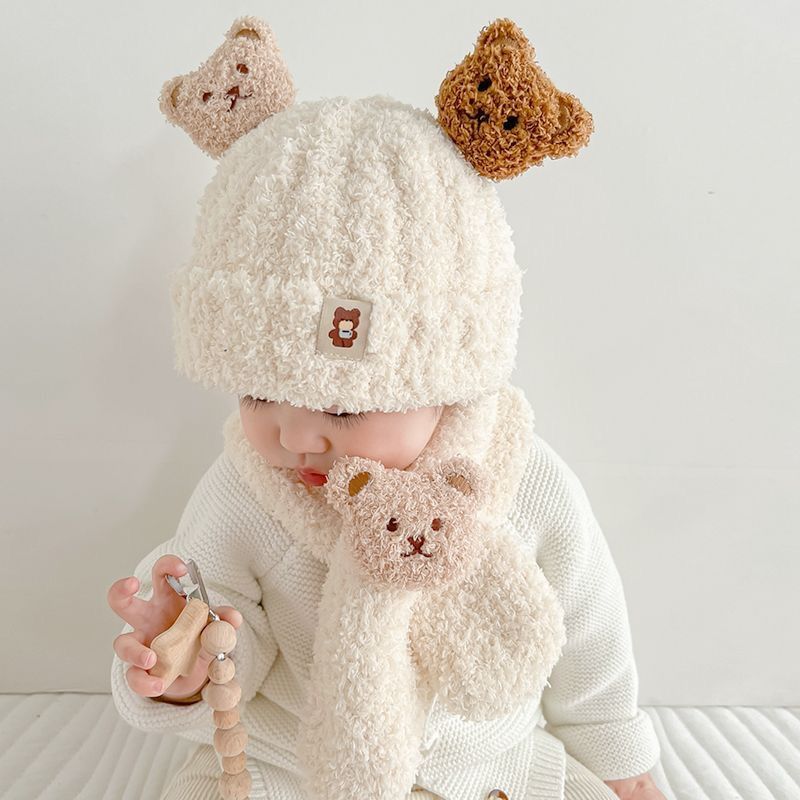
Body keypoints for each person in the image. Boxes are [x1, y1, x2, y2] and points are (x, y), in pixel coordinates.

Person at [108, 17, 667, 800]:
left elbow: (589, 627)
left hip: (490, 769)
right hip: (289, 766)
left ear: (447, 378)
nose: (294, 435)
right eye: (259, 393)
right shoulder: (244, 491)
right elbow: (226, 630)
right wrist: (189, 665)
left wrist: (618, 755)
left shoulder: (523, 477)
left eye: (342, 407)